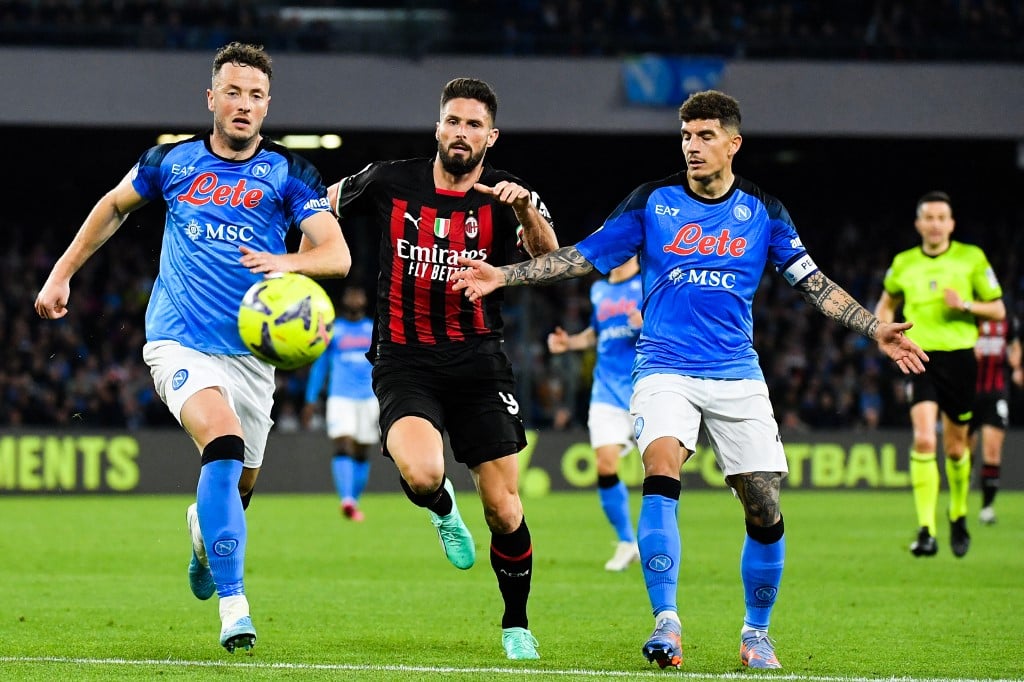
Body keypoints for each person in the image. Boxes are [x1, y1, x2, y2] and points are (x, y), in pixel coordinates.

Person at [452, 89, 928, 671]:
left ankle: (756, 633)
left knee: (763, 503)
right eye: (685, 136)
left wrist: (873, 326)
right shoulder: (652, 202)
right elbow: (581, 256)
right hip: (663, 368)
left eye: (705, 137)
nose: (693, 147)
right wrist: (506, 273)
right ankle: (666, 623)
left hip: (736, 372)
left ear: (734, 143)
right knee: (660, 466)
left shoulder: (765, 211)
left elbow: (813, 282)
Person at [34, 42, 351, 653]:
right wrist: (61, 272)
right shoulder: (171, 162)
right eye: (233, 92)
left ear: (267, 106)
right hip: (179, 341)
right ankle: (236, 608)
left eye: (256, 95)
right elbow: (112, 207)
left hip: (255, 355)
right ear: (211, 98)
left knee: (238, 485)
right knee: (224, 443)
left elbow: (334, 254)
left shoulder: (289, 173)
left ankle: (204, 539)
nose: (244, 104)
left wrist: (283, 262)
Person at [323, 77, 558, 660]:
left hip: (480, 362)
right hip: (405, 360)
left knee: (504, 508)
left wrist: (527, 212)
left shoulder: (510, 196)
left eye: (474, 124)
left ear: (491, 136)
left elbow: (551, 260)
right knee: (424, 474)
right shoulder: (387, 180)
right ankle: (442, 510)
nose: (461, 132)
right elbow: (316, 203)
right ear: (438, 127)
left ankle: (516, 623)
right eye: (453, 121)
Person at [876, 191, 1005, 558]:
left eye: (940, 218)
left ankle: (959, 513)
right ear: (918, 224)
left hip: (962, 360)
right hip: (920, 358)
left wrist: (963, 304)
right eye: (928, 217)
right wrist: (882, 330)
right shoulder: (904, 263)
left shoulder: (971, 258)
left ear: (951, 223)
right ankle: (926, 530)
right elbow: (886, 302)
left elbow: (997, 309)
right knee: (924, 440)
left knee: (955, 447)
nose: (934, 224)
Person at [547, 256, 643, 571]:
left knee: (659, 471)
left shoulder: (648, 281)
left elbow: (676, 323)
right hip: (606, 392)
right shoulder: (599, 289)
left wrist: (649, 324)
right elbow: (597, 333)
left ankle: (654, 542)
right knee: (605, 465)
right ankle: (627, 542)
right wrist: (570, 342)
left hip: (646, 388)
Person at [302, 285, 379, 521]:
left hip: (369, 397)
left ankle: (353, 501)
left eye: (359, 294)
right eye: (350, 294)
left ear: (365, 300)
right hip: (340, 396)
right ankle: (346, 499)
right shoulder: (333, 329)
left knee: (362, 451)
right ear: (343, 299)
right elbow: (321, 364)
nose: (355, 298)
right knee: (343, 443)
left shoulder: (372, 329)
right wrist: (310, 398)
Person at [970, 315, 1021, 524]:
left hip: (996, 393)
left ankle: (987, 507)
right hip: (968, 392)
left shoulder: (1007, 319)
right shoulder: (968, 316)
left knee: (992, 450)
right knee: (963, 452)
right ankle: (960, 501)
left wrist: (1016, 362)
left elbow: (1015, 347)